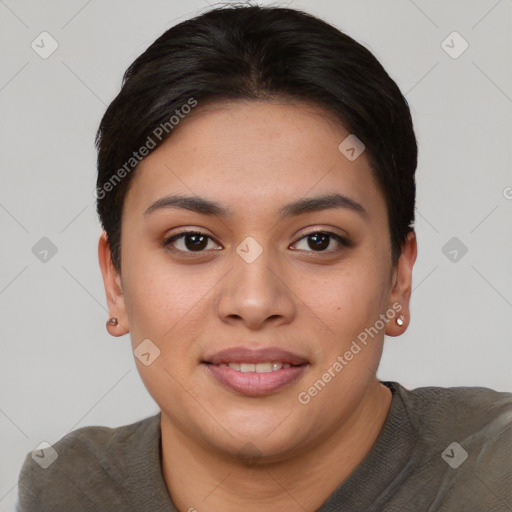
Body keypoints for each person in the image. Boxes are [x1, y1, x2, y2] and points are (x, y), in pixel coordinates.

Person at [16, 4, 512, 511]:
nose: (254, 302)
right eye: (193, 241)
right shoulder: (67, 489)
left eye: (318, 241)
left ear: (397, 279)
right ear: (115, 280)